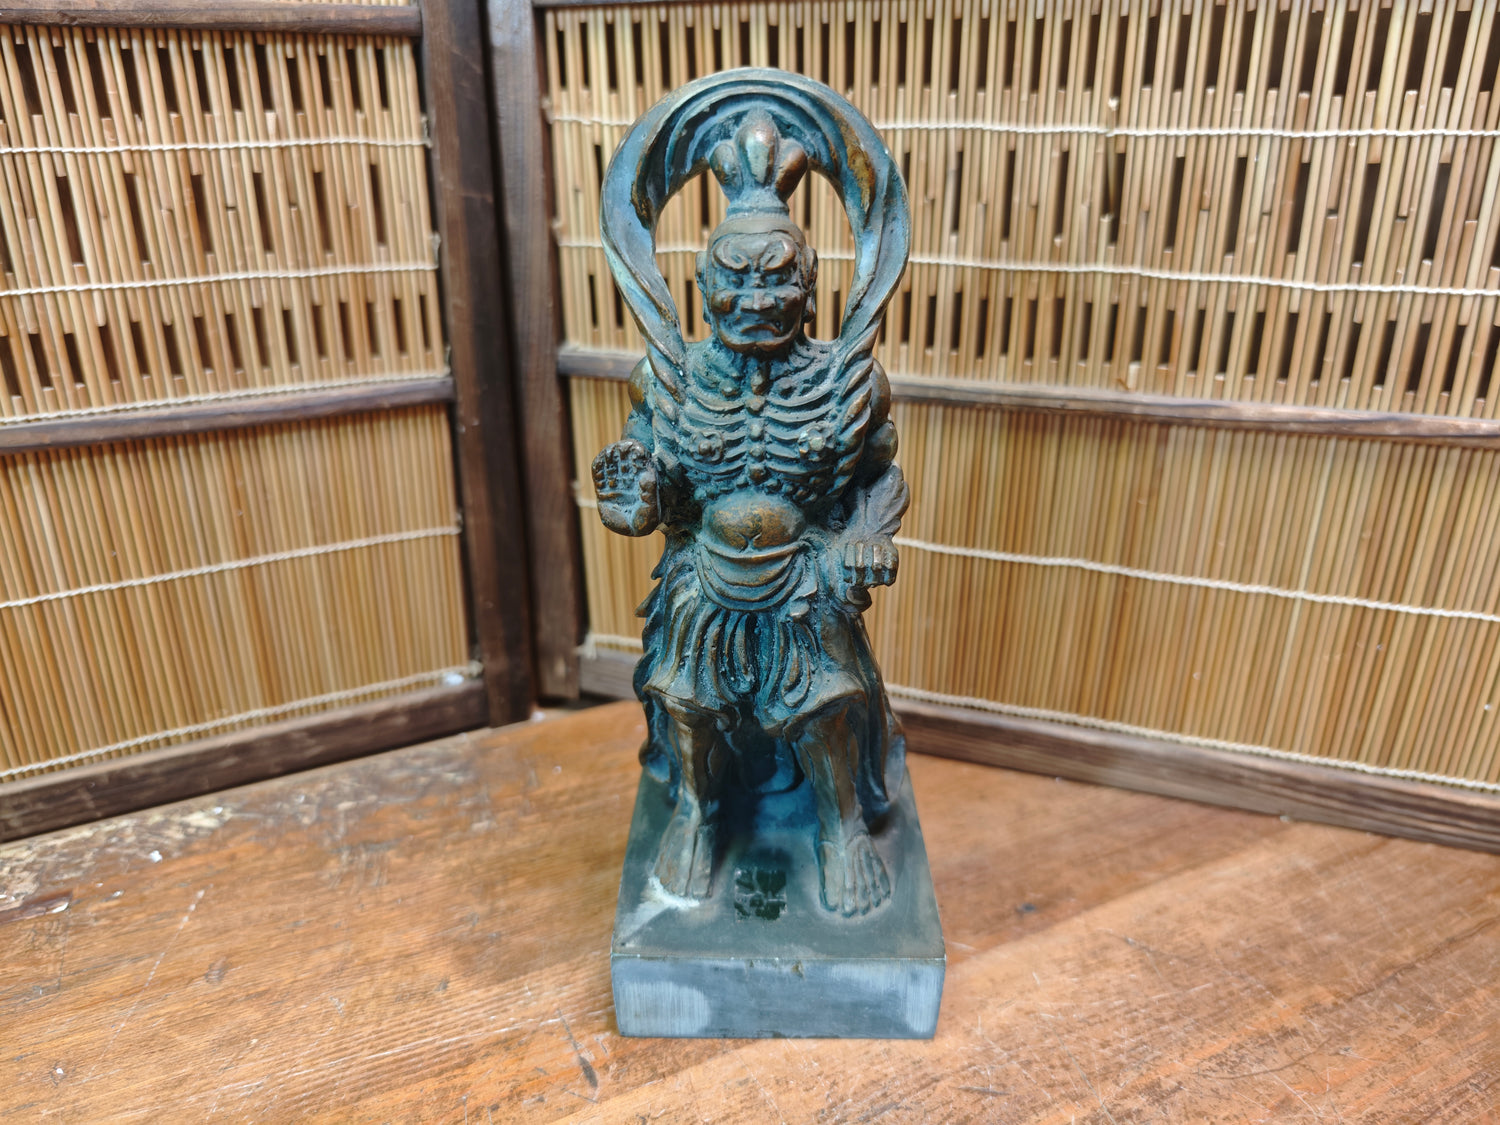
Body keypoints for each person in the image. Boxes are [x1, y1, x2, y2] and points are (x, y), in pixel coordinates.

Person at [593, 111, 908, 917]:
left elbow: (881, 477)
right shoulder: (669, 379)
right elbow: (651, 476)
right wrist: (636, 500)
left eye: (778, 279)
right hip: (704, 572)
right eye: (736, 279)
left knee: (825, 703)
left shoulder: (848, 384)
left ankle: (840, 827)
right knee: (686, 698)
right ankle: (696, 815)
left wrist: (865, 533)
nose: (756, 300)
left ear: (811, 284)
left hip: (805, 571)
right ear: (702, 287)